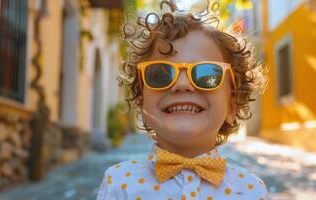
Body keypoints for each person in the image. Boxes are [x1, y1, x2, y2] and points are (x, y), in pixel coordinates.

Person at [97, 1, 268, 199]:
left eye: (206, 74)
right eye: (160, 74)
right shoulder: (119, 183)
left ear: (232, 104)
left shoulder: (251, 191)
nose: (182, 84)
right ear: (142, 101)